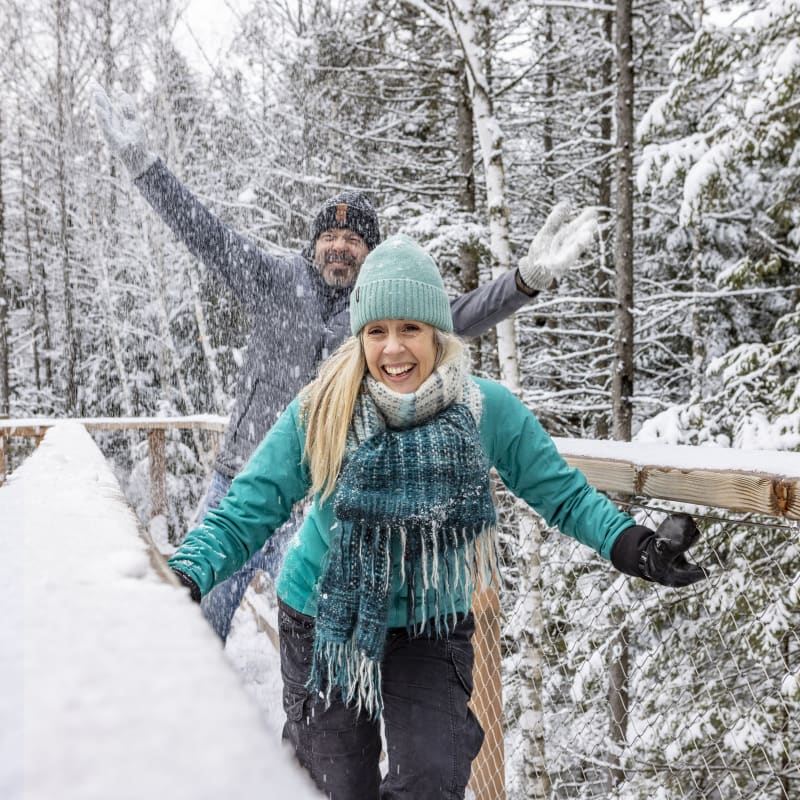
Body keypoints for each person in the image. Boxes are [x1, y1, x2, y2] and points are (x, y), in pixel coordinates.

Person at [167, 234, 707, 800]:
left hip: (430, 617)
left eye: (409, 329)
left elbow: (562, 494)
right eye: (376, 331)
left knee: (430, 777)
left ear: (436, 333)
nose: (393, 349)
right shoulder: (324, 408)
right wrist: (187, 571)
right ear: (360, 337)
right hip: (325, 610)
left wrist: (634, 545)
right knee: (334, 785)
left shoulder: (483, 410)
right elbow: (249, 507)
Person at [92, 84, 600, 642]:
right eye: (329, 236)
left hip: (315, 502)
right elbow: (205, 233)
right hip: (240, 486)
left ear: (370, 251)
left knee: (312, 636)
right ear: (313, 245)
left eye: (353, 239)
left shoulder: (382, 316)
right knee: (193, 626)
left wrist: (524, 281)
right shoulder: (272, 281)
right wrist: (143, 165)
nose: (339, 246)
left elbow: (463, 313)